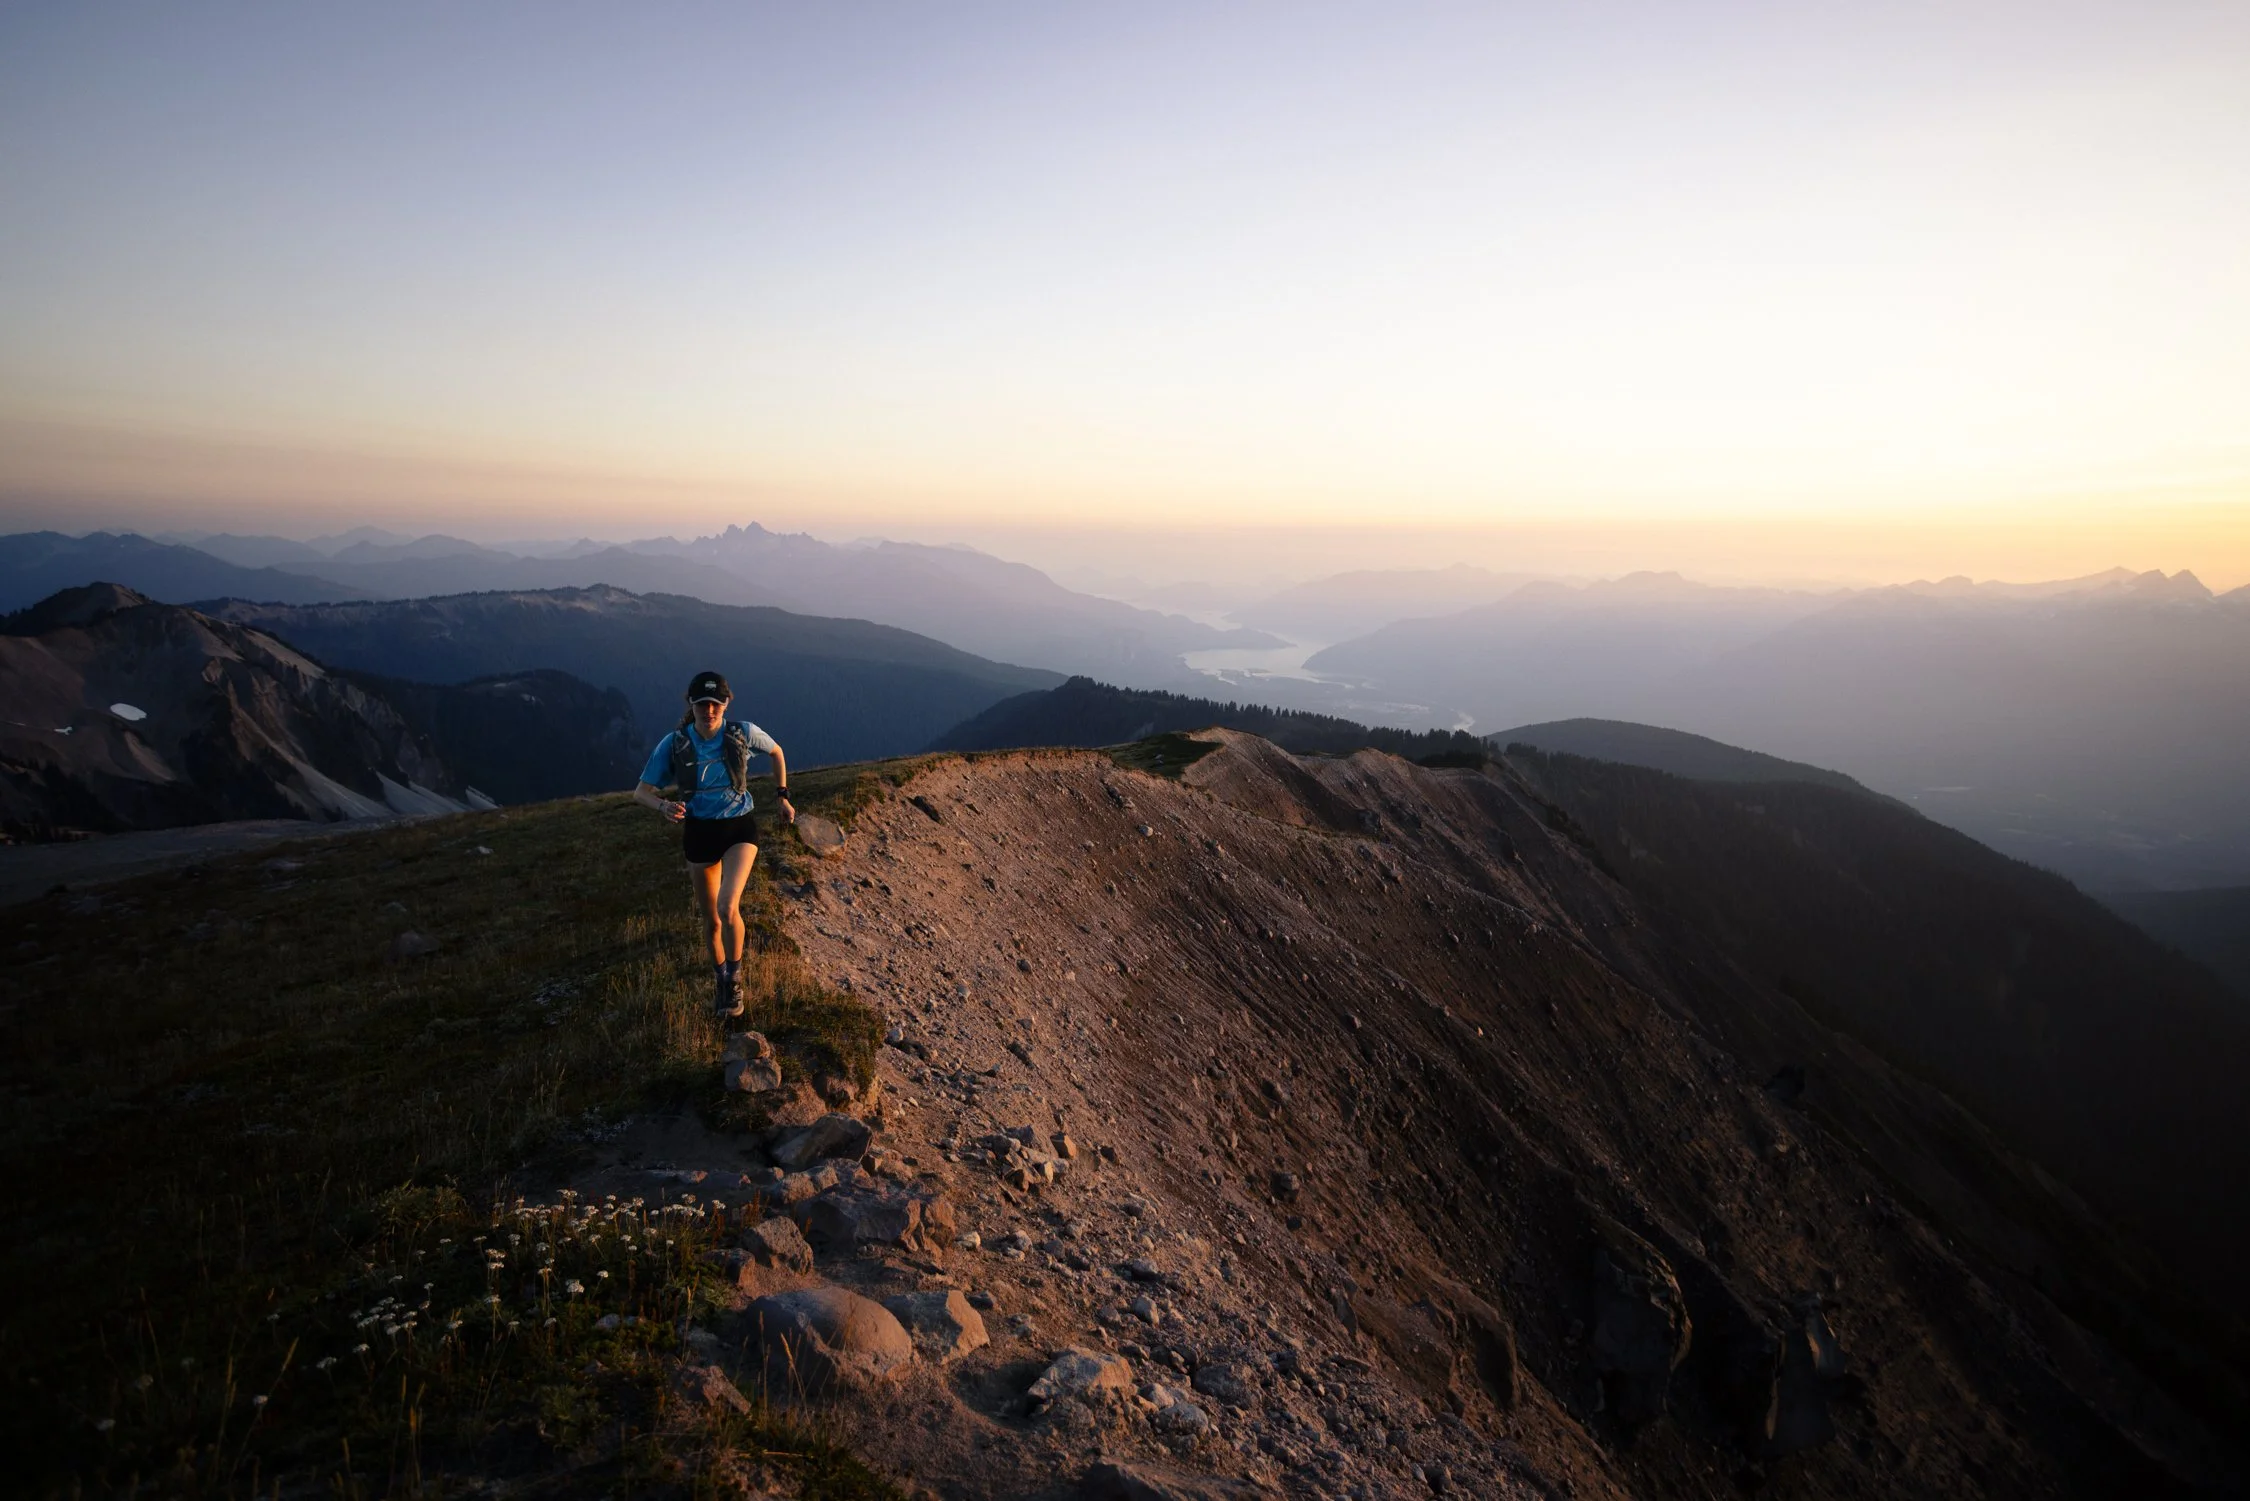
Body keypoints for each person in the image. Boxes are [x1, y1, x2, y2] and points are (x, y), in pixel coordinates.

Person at [632, 670, 794, 1017]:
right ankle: (721, 980)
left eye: (715, 704)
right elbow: (640, 792)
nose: (709, 710)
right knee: (712, 921)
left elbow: (777, 752)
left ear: (726, 704)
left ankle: (734, 980)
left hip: (739, 828)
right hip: (699, 832)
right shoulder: (674, 743)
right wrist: (662, 806)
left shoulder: (743, 733)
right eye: (702, 704)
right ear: (691, 705)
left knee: (727, 906)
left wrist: (782, 796)